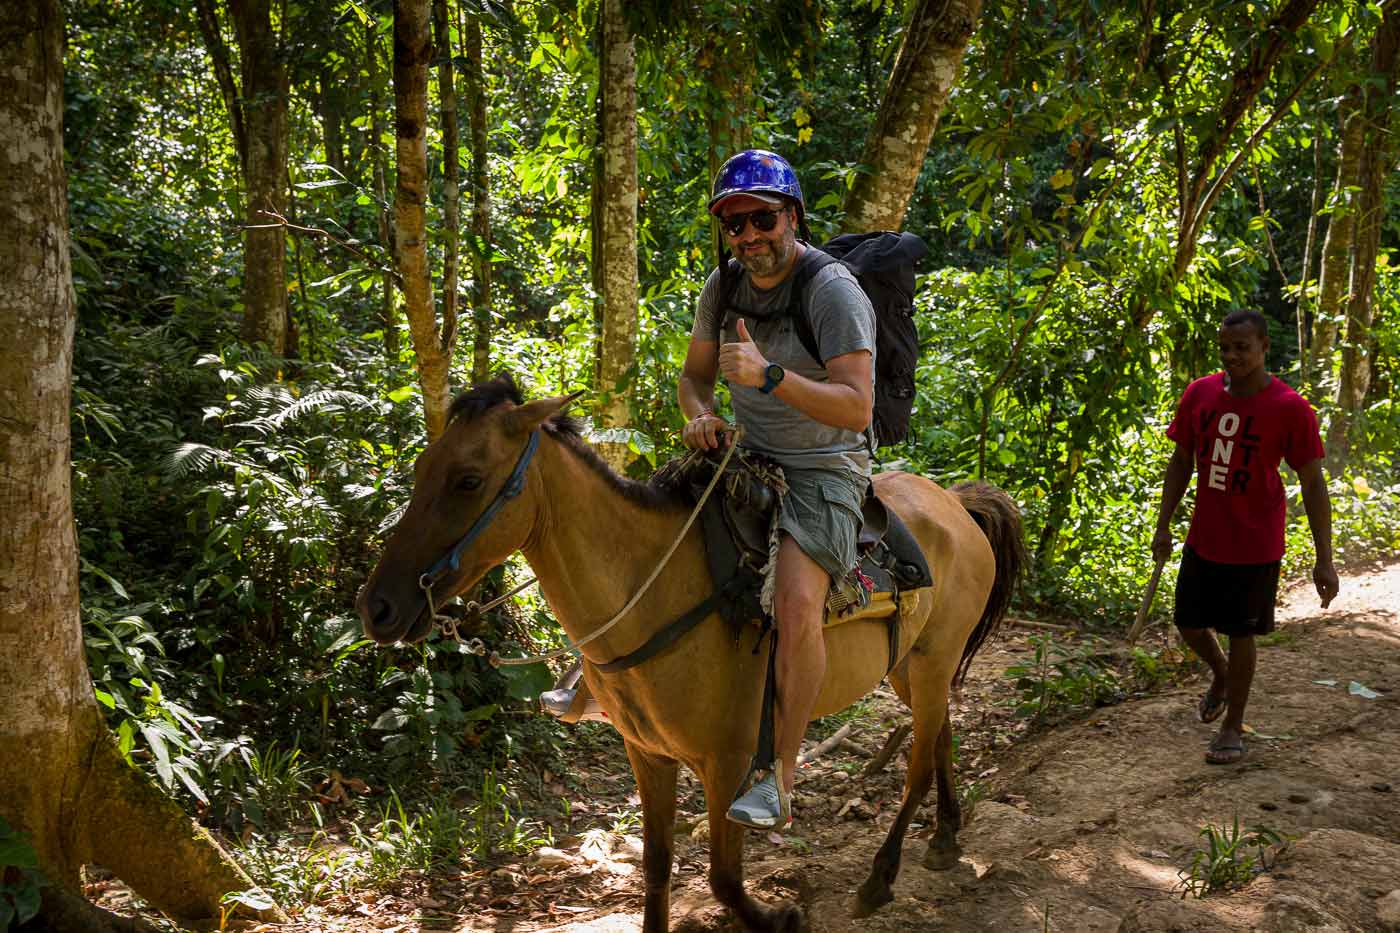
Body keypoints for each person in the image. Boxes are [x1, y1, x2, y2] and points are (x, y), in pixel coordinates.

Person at [679, 149, 876, 827]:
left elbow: (856, 406)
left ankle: (779, 776)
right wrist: (701, 416)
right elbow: (693, 378)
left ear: (792, 216)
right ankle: (600, 676)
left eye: (762, 218)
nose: (748, 236)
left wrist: (769, 377)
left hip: (826, 466)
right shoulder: (723, 285)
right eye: (734, 225)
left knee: (795, 603)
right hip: (747, 453)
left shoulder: (832, 290)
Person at [1152, 309, 1339, 765]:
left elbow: (1313, 484)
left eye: (1243, 348)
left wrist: (1324, 558)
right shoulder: (1200, 393)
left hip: (1256, 543)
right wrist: (1163, 524)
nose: (1233, 356)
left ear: (1264, 349)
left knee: (1240, 632)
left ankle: (1233, 725)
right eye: (1226, 348)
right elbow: (1180, 462)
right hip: (1205, 535)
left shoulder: (1289, 408)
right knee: (1189, 623)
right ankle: (1220, 673)